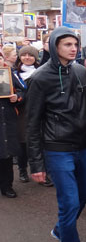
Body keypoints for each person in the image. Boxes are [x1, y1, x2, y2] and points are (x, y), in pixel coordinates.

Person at [26, 27, 86, 242]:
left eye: (75, 44)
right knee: (69, 203)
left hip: (83, 146)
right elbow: (32, 123)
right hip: (56, 149)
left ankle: (60, 229)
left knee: (85, 195)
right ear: (54, 46)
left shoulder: (80, 71)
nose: (73, 48)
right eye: (67, 44)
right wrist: (36, 164)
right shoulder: (40, 78)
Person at [13, 45, 39, 183]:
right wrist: (17, 97)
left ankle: (40, 170)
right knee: (23, 143)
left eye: (30, 55)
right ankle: (23, 169)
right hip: (22, 113)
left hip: (39, 111)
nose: (27, 57)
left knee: (39, 142)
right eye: (24, 55)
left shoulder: (41, 71)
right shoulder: (14, 74)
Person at [0, 50, 23, 198]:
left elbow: (23, 90)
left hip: (6, 119)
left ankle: (7, 185)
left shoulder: (8, 73)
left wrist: (17, 97)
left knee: (5, 153)